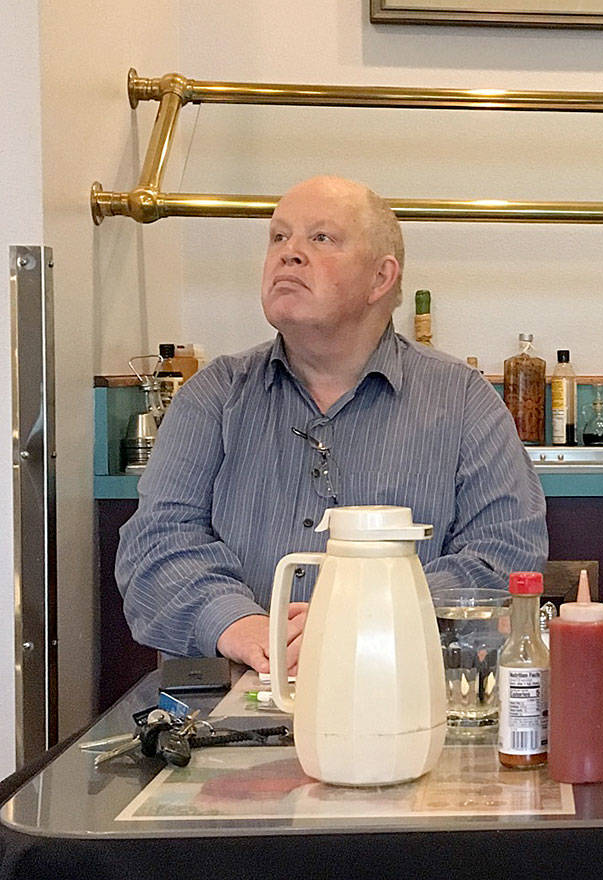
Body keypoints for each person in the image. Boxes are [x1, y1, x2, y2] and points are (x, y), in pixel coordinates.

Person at [117, 176, 548, 673]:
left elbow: (503, 555)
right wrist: (241, 626)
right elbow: (156, 546)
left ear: (381, 278)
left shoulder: (463, 400)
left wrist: (364, 618)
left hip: (400, 691)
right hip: (231, 707)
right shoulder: (214, 395)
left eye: (320, 238)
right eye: (279, 236)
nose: (289, 253)